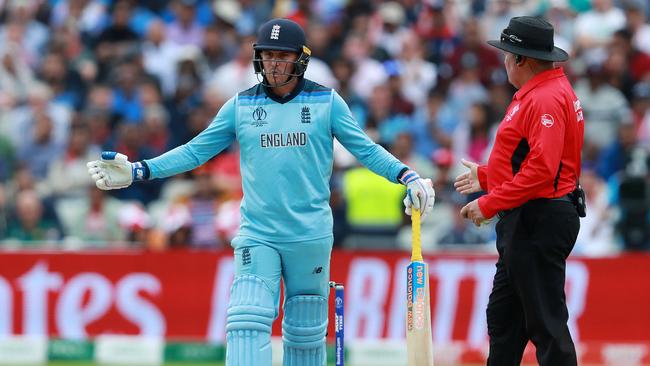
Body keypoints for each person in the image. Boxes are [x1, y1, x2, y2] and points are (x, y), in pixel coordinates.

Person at [87, 18, 434, 366]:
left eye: (282, 56)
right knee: (246, 320)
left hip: (309, 234)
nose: (273, 64)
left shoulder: (327, 102)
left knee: (305, 331)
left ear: (301, 59)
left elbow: (367, 150)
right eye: (267, 56)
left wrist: (406, 175)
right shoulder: (240, 106)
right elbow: (195, 151)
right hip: (258, 232)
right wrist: (139, 170)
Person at [454, 17, 584, 366]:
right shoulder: (542, 93)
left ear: (521, 59)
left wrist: (490, 202)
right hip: (532, 217)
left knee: (546, 326)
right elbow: (528, 161)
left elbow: (542, 170)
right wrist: (486, 176)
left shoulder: (543, 99)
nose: (505, 62)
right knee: (505, 321)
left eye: (507, 55)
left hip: (537, 218)